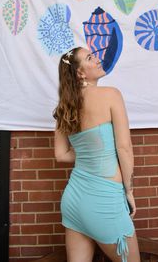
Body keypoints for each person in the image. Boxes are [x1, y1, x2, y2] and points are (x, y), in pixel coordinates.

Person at [54, 47, 140, 262]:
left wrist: (90, 153)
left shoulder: (64, 108)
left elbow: (61, 155)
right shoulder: (111, 95)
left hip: (74, 201)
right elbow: (124, 148)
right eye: (90, 58)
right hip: (105, 200)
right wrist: (129, 191)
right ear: (80, 73)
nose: (98, 59)